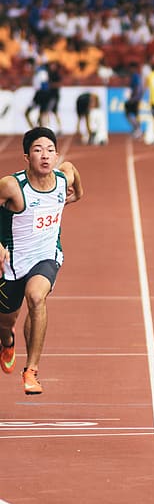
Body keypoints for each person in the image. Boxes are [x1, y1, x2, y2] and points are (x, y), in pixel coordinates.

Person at [0, 127, 84, 395]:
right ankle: (7, 340)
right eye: (38, 150)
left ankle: (31, 371)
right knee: (5, 320)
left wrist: (77, 194)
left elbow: (72, 170)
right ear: (27, 157)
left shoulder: (62, 178)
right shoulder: (12, 186)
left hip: (46, 255)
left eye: (50, 150)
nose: (45, 156)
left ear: (56, 154)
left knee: (36, 297)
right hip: (11, 262)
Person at [125, 62, 143, 139]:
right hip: (135, 98)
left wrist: (133, 98)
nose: (130, 70)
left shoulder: (135, 76)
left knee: (130, 114)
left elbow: (137, 87)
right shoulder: (134, 76)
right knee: (133, 115)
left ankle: (137, 129)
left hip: (134, 98)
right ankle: (136, 129)